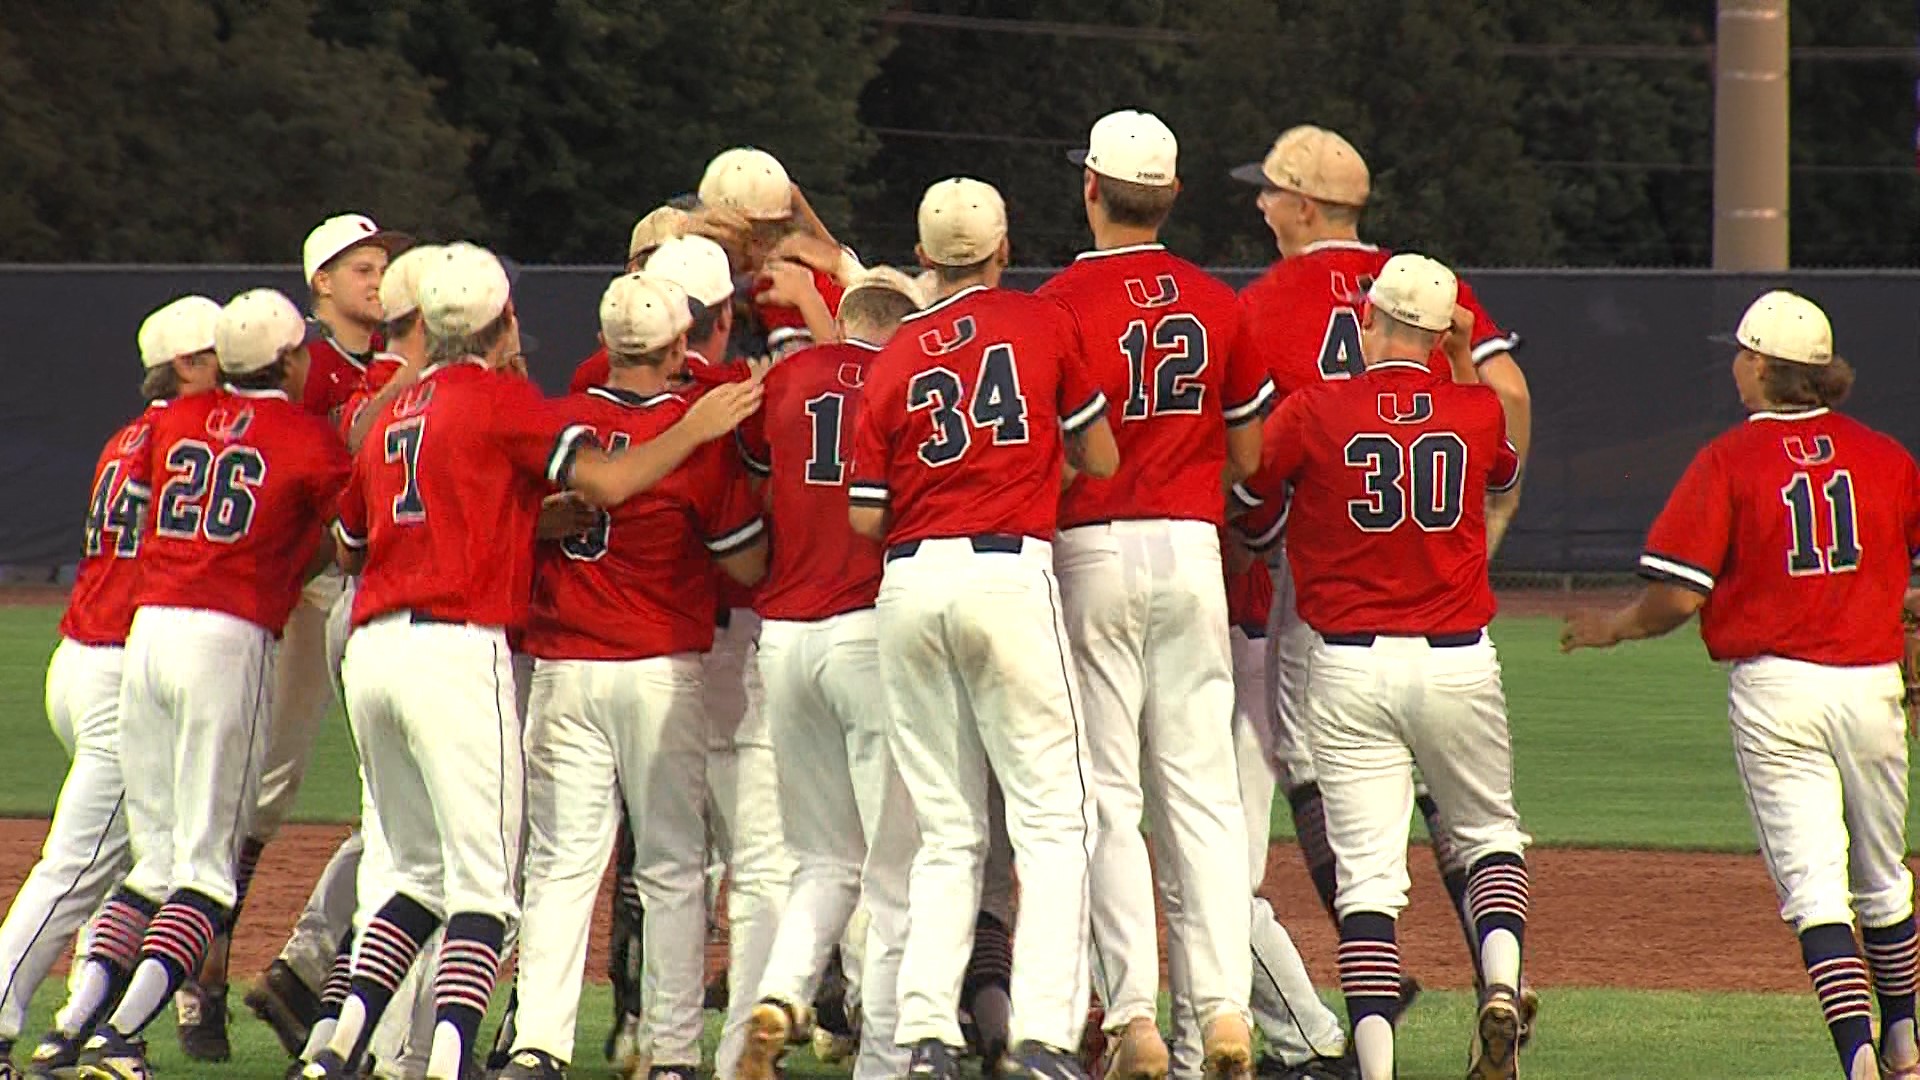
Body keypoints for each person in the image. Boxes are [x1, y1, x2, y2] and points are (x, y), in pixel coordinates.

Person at [304, 242, 762, 1080]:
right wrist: (696, 427)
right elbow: (623, 492)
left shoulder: (400, 409)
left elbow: (346, 545)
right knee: (640, 872)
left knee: (509, 869)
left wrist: (521, 522)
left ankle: (515, 1046)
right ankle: (659, 1053)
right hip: (584, 661)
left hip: (443, 653)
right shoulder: (515, 404)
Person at [1562, 291, 1920, 1080]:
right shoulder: (1887, 457)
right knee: (1885, 877)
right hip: (1871, 687)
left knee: (1815, 890)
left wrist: (1615, 627)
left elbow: (1679, 597)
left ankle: (1857, 1058)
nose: (1734, 362)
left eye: (1741, 352)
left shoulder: (1728, 460)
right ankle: (1904, 1046)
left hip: (1779, 691)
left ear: (1761, 366)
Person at [1229, 125, 1533, 1028]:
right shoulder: (1428, 278)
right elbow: (1507, 392)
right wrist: (1484, 525)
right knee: (1463, 798)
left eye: (1272, 191)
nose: (1260, 204)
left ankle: (1376, 990)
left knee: (1315, 768)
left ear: (1309, 207)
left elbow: (1247, 451)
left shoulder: (1265, 298)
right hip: (1432, 566)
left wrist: (1258, 530)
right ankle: (1496, 968)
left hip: (1318, 572)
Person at [847, 176, 1118, 1080]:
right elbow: (1102, 453)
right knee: (1052, 819)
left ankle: (925, 1033)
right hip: (1007, 569)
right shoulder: (1041, 321)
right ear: (1004, 250)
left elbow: (863, 518)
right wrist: (1042, 474)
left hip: (910, 582)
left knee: (947, 829)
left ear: (922, 258)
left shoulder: (892, 354)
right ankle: (1042, 1034)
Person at [1036, 109, 1275, 1080]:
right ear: (1173, 194)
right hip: (1190, 547)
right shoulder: (1223, 305)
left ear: (1089, 187)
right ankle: (1223, 1013)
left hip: (1090, 545)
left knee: (1108, 799)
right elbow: (1252, 457)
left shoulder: (1055, 304)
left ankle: (1133, 1014)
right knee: (1204, 797)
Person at [63, 288, 352, 1080]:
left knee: (151, 866)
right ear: (292, 360)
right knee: (205, 874)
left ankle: (72, 1026)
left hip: (148, 633)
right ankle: (120, 1034)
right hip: (225, 640)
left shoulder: (175, 423)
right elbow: (351, 541)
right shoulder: (305, 435)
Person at [497, 272, 769, 1080]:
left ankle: (538, 1045)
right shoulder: (699, 432)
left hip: (566, 667)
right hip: (660, 669)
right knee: (674, 868)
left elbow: (516, 517)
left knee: (561, 865)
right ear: (682, 345)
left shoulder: (560, 422)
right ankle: (676, 1053)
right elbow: (748, 563)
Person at [3, 298, 220, 1078]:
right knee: (76, 866)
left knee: (117, 871)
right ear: (189, 364)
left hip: (84, 654)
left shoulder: (128, 435)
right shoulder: (184, 440)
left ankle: (79, 1023)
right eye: (217, 353)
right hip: (117, 668)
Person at [223, 213, 412, 1063]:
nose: (376, 277)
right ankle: (208, 970)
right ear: (320, 286)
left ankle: (312, 977)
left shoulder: (389, 363)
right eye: (359, 267)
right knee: (271, 784)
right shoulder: (306, 369)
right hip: (307, 591)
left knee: (389, 794)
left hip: (363, 587)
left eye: (382, 265)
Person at [733, 268, 926, 1080]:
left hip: (784, 637)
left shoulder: (787, 378)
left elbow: (749, 477)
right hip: (866, 632)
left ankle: (779, 993)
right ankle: (882, 1062)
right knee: (894, 876)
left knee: (822, 861)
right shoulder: (908, 379)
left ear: (843, 318)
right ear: (905, 326)